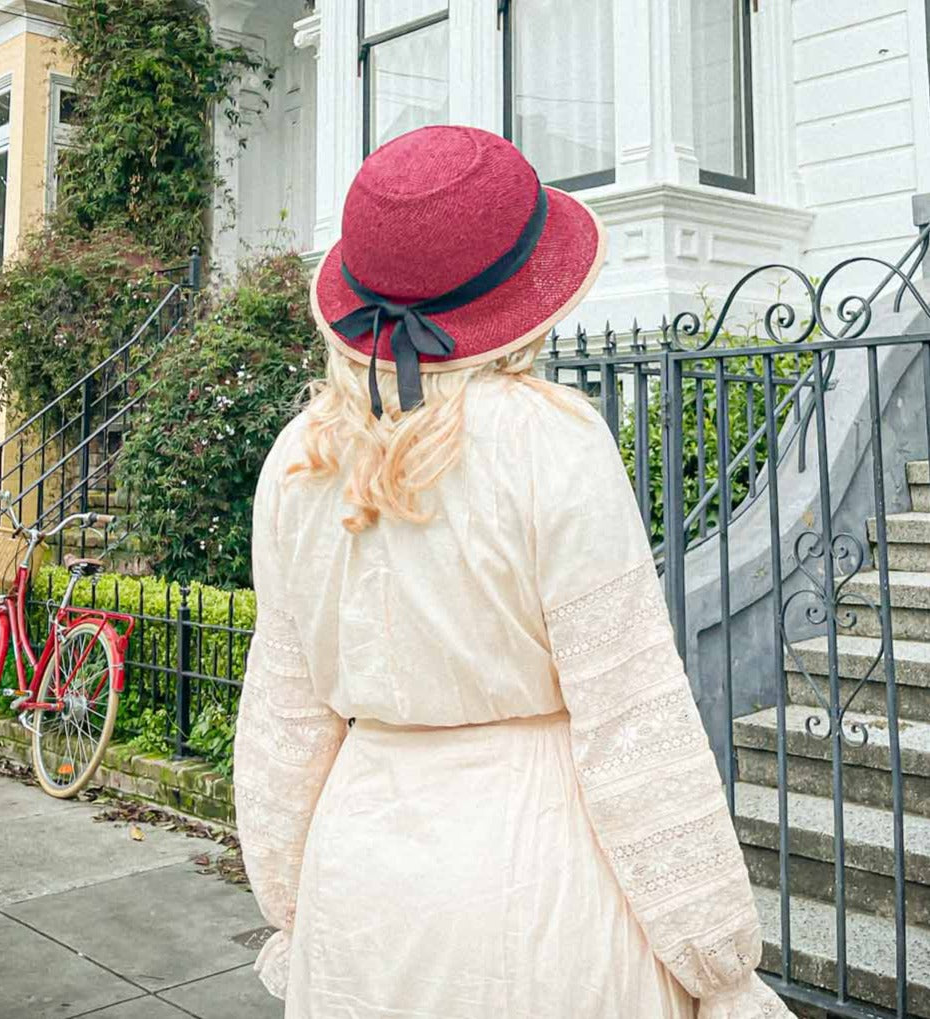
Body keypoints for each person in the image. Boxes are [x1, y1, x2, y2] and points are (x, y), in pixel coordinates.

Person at [233, 125, 790, 1018]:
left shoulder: (299, 456)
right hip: (538, 873)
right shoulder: (552, 440)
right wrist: (716, 957)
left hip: (358, 880)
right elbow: (630, 712)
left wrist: (290, 899)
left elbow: (283, 718)